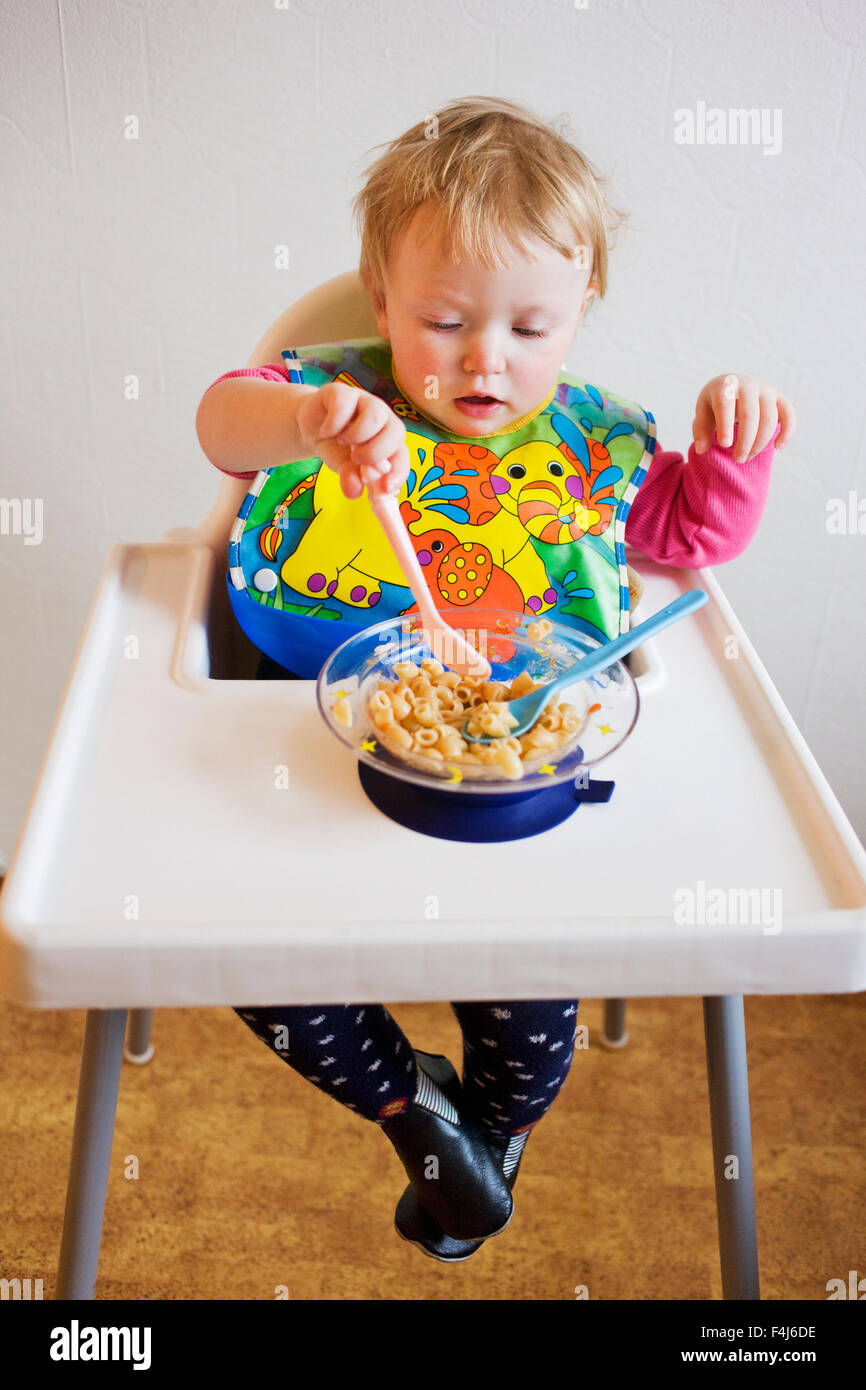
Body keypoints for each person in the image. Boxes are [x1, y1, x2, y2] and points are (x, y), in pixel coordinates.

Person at [195, 95, 796, 1263]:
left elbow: (688, 535)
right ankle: (408, 1110)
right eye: (441, 317)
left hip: (514, 786)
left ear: (579, 316)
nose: (484, 357)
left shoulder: (589, 441)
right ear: (380, 300)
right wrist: (309, 415)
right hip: (301, 771)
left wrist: (733, 452)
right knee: (244, 956)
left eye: (530, 327)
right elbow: (224, 424)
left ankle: (493, 1131)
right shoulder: (330, 395)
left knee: (532, 1024)